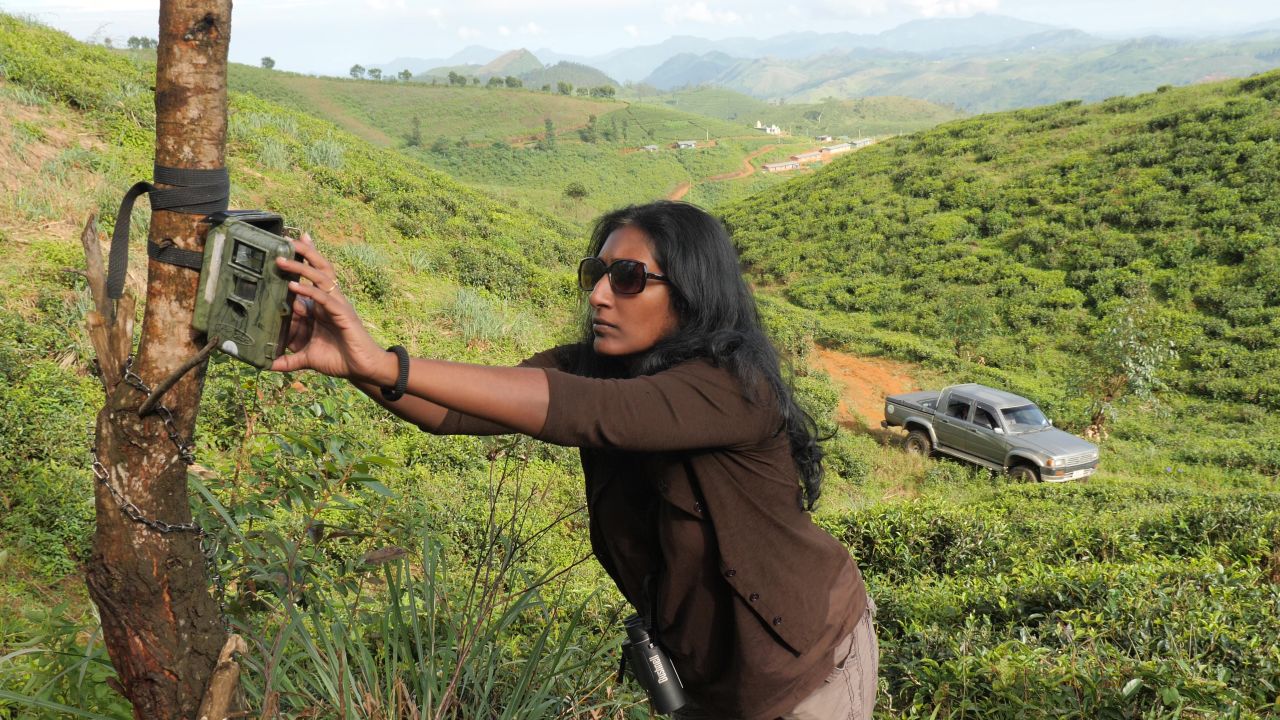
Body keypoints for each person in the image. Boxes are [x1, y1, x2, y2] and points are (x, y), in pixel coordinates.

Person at [271, 201, 878, 720]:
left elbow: (595, 413)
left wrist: (383, 362)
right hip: (713, 680)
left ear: (691, 291)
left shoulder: (732, 387)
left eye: (629, 278)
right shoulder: (598, 363)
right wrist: (350, 363)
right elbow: (450, 413)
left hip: (809, 665)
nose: (599, 294)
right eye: (597, 273)